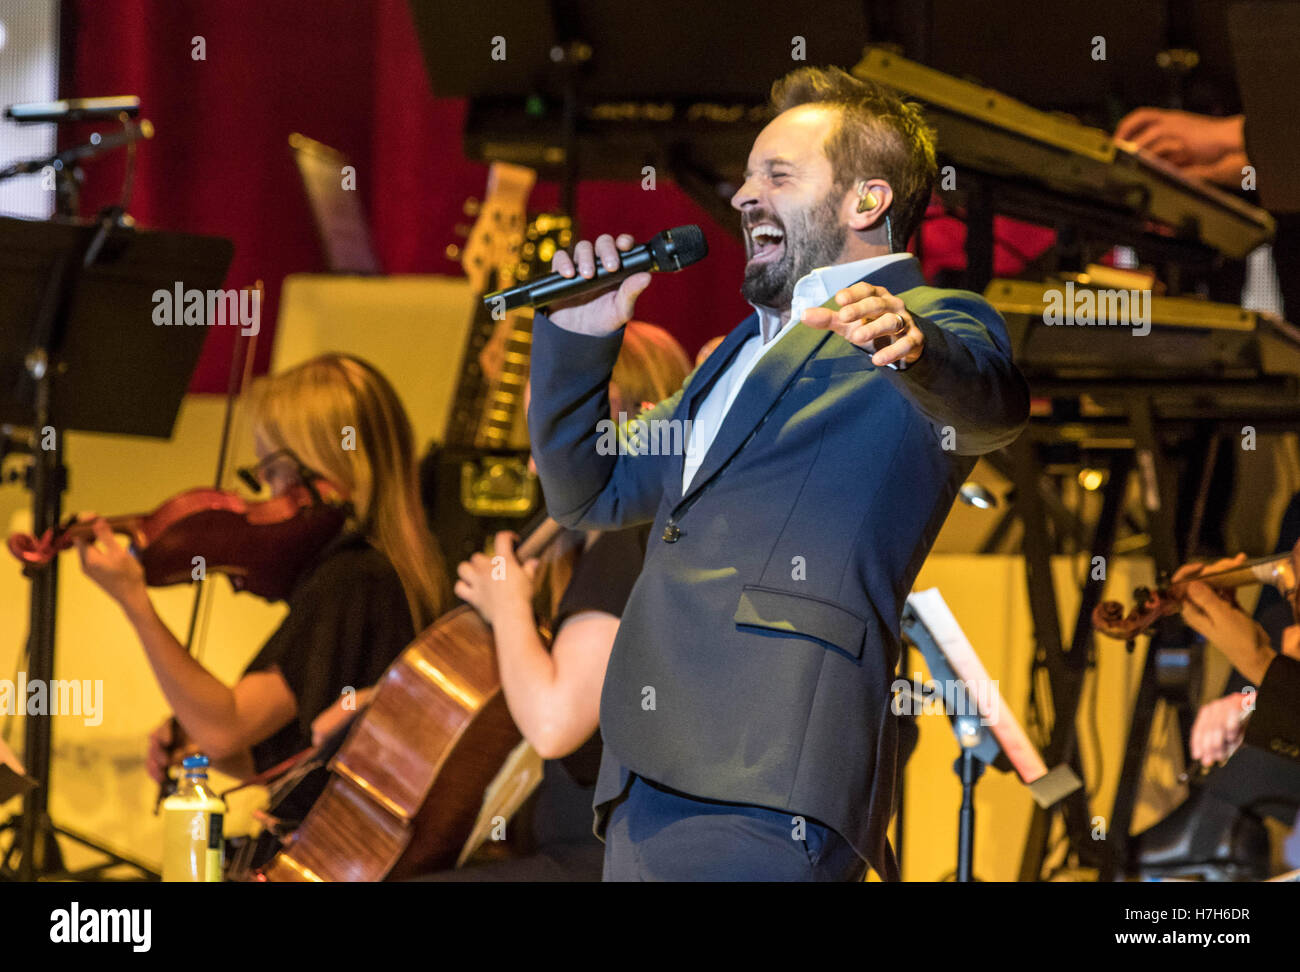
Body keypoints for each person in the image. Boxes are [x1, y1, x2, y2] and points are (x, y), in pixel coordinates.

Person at [526, 65, 1030, 881]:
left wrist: (919, 349)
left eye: (778, 176)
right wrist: (580, 344)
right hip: (646, 774)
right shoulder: (734, 352)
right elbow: (589, 490)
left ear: (866, 202)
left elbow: (990, 409)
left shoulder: (937, 320)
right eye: (749, 173)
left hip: (768, 767)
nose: (743, 195)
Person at [389, 321, 689, 881]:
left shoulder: (628, 541)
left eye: (549, 436)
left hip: (608, 861)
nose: (533, 464)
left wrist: (508, 610)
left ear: (614, 421)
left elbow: (553, 722)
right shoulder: (622, 540)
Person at [75, 354, 451, 784]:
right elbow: (279, 758)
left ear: (324, 463)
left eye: (272, 470)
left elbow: (227, 728)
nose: (269, 494)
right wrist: (197, 740)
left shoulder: (353, 578)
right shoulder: (391, 570)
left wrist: (134, 601)